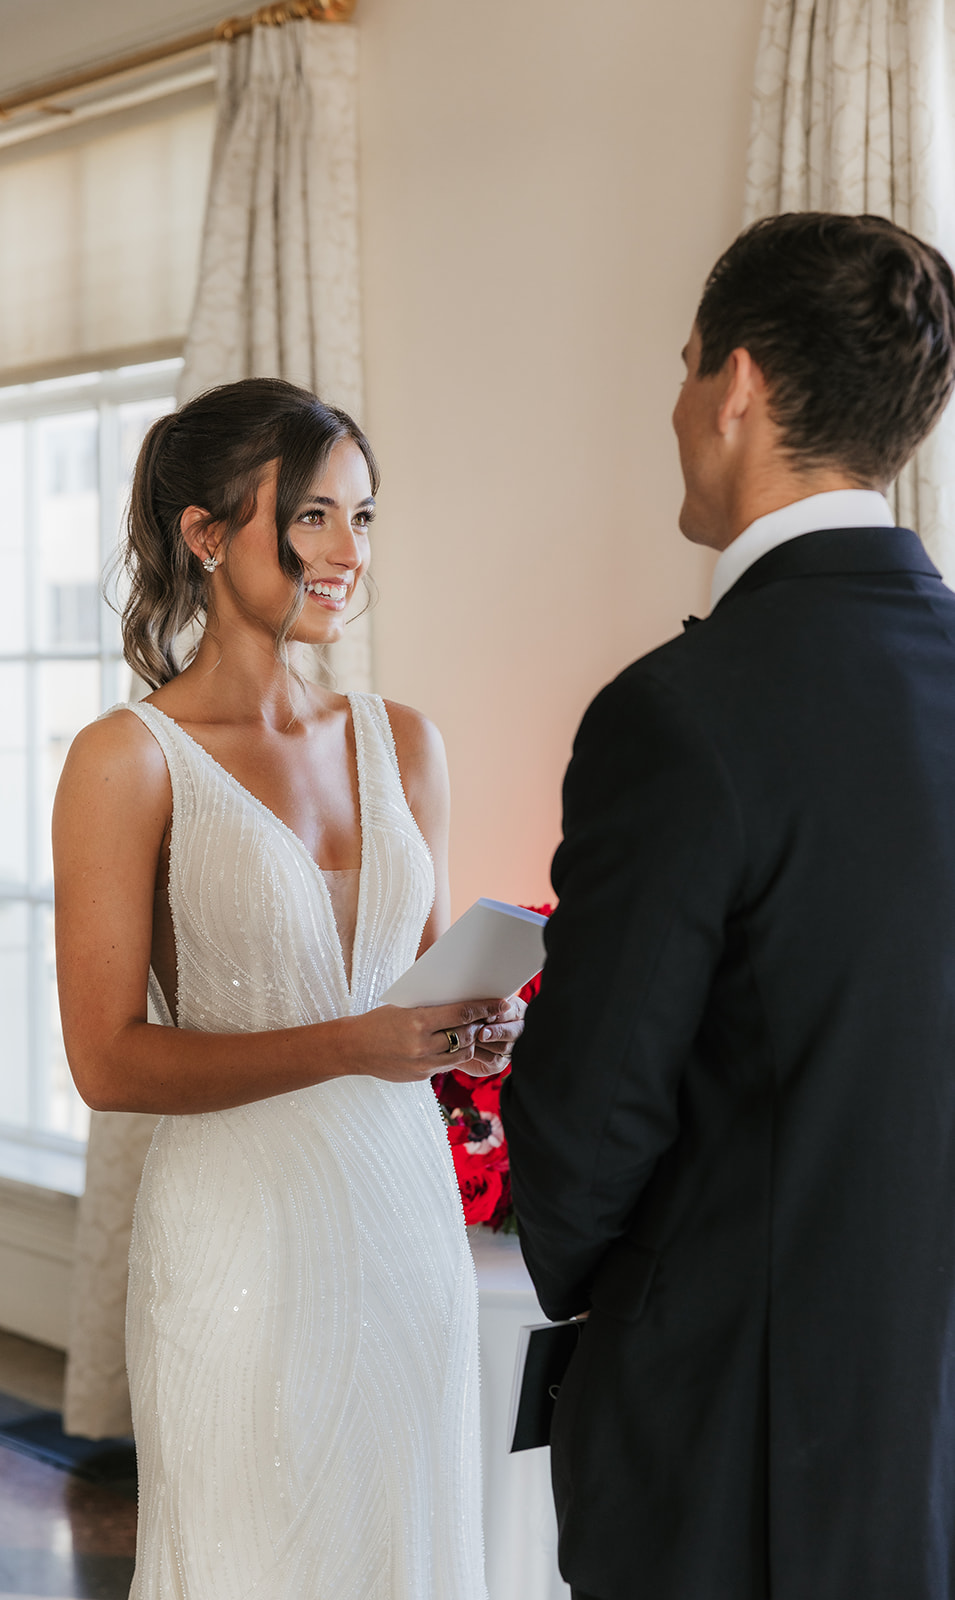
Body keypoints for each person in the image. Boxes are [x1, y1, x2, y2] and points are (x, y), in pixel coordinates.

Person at [501, 212, 955, 1600]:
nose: (679, 401)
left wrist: (613, 1288)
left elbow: (586, 1124)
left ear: (736, 386)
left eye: (686, 363)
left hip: (725, 1437)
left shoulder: (680, 715)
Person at [52, 377, 524, 1600]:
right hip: (237, 1247)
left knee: (402, 1550)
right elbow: (106, 1060)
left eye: (363, 519)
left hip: (403, 1226)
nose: (345, 553)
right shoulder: (127, 761)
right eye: (312, 517)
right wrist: (357, 1043)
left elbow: (412, 998)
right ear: (206, 535)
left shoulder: (403, 739)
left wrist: (472, 1026)